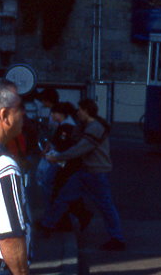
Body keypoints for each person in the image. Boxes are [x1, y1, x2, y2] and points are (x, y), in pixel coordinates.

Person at [39, 99, 126, 252]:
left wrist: (58, 157)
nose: (77, 112)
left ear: (86, 110)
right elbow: (76, 140)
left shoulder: (95, 127)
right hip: (86, 170)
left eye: (80, 110)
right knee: (64, 196)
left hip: (96, 172)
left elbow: (80, 148)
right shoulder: (88, 126)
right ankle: (48, 224)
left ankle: (117, 238)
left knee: (105, 205)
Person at [0, 81, 30, 275]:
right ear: (5, 115)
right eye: (21, 109)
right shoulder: (5, 166)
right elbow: (9, 235)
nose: (24, 115)